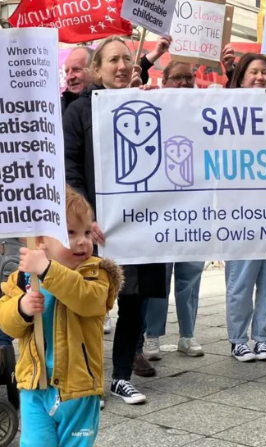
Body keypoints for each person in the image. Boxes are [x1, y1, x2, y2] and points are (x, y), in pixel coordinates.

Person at [63, 36, 167, 405]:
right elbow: (70, 167)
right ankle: (88, 379)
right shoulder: (79, 112)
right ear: (97, 70)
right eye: (112, 60)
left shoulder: (152, 102)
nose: (121, 66)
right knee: (90, 304)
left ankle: (121, 375)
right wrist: (84, 217)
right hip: (96, 228)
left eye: (126, 58)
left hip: (139, 226)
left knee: (135, 302)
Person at [0, 186, 122, 447]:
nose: (82, 241)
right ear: (41, 241)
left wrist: (48, 270)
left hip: (78, 389)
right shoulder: (23, 277)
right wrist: (21, 308)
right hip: (34, 386)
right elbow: (4, 321)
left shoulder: (96, 273)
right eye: (69, 233)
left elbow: (88, 299)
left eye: (87, 232)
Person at [221, 54, 266, 363]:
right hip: (242, 212)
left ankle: (263, 337)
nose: (261, 77)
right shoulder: (227, 108)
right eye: (253, 72)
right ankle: (238, 339)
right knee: (242, 277)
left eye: (265, 72)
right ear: (241, 77)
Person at [140, 62, 207, 362]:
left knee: (190, 275)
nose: (183, 83)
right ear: (163, 80)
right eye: (176, 78)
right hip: (161, 210)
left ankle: (187, 334)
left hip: (194, 208)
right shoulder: (151, 108)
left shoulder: (202, 112)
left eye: (188, 78)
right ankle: (151, 336)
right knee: (158, 275)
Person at [62, 47, 94, 113]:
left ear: (94, 70)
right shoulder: (58, 108)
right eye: (67, 72)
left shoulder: (108, 100)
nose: (69, 77)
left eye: (76, 69)